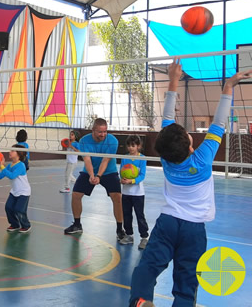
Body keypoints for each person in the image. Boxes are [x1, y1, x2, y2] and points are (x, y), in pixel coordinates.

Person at [129, 61, 252, 307]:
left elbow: (168, 117)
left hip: (167, 223)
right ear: (189, 143)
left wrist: (173, 79)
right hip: (193, 230)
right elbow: (219, 122)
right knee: (186, 282)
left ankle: (141, 301)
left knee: (147, 267)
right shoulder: (204, 159)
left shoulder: (165, 156)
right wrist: (228, 85)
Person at [64, 118, 126, 241]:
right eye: (100, 132)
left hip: (109, 171)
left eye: (105, 131)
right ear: (93, 130)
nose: (103, 134)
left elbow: (105, 160)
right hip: (89, 170)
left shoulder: (112, 141)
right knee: (76, 194)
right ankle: (77, 224)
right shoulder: (84, 141)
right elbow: (87, 160)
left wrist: (98, 176)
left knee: (117, 197)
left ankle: (120, 228)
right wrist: (92, 175)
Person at [119, 135, 149, 249]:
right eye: (129, 145)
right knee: (126, 215)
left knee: (139, 215)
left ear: (138, 146)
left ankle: (144, 237)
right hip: (126, 193)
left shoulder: (142, 158)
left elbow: (142, 175)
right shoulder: (124, 157)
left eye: (133, 145)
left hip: (138, 193)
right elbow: (121, 171)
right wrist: (121, 180)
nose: (131, 148)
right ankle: (129, 235)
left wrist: (132, 180)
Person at [0, 144, 32, 233]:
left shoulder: (21, 165)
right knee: (8, 207)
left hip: (24, 192)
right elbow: (0, 176)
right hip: (14, 192)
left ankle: (26, 225)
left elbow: (12, 176)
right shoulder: (10, 166)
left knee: (19, 210)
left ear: (19, 153)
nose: (9, 152)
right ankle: (15, 224)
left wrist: (2, 166)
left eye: (12, 151)